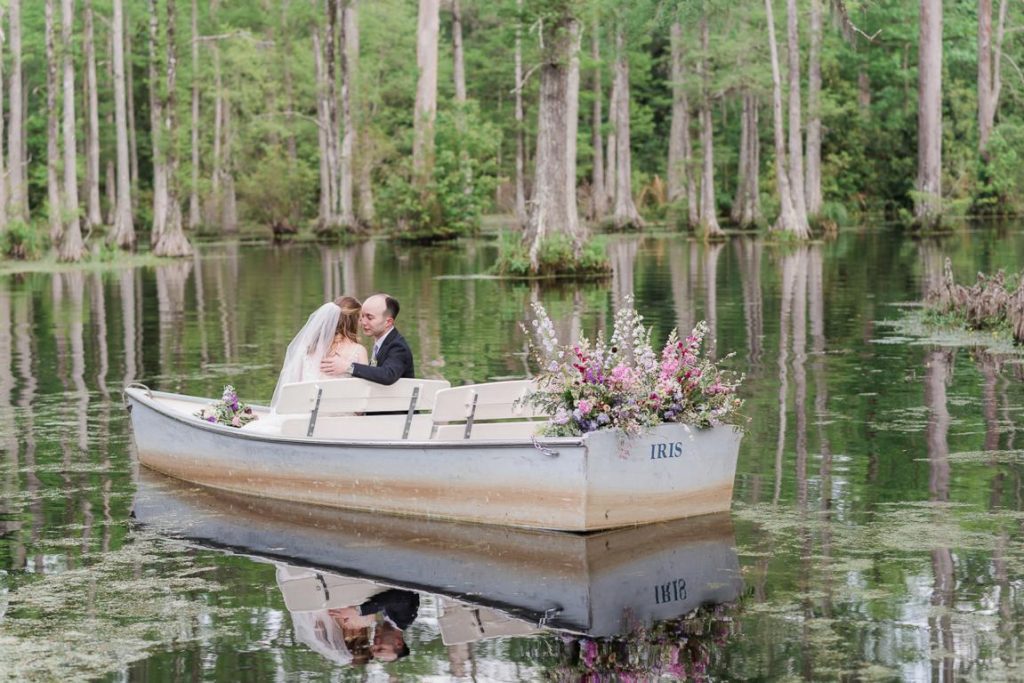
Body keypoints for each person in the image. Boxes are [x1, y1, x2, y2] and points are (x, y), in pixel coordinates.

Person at [266, 295, 367, 412]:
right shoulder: (358, 351)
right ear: (353, 321)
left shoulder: (308, 348)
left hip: (303, 417)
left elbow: (293, 386)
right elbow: (362, 400)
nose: (361, 323)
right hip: (341, 421)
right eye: (360, 318)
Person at [320, 293, 414, 385]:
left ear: (388, 322)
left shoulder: (398, 347)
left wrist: (348, 367)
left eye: (369, 317)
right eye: (362, 316)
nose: (363, 322)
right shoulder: (380, 342)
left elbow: (387, 375)